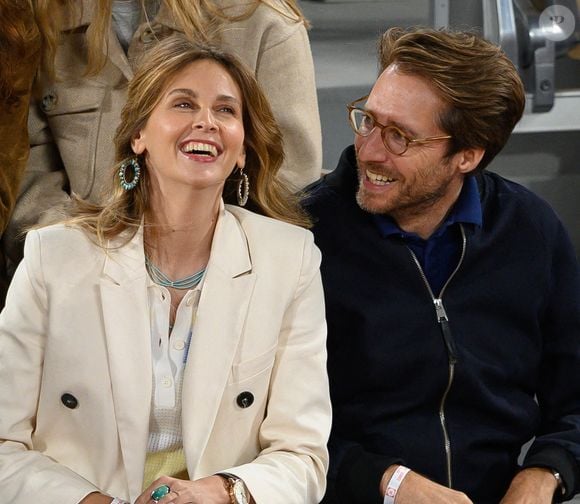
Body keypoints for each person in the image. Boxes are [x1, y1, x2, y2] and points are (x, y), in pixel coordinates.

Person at [0, 35, 331, 504]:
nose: (206, 122)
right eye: (183, 104)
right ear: (139, 136)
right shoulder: (53, 257)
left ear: (241, 150)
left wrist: (218, 493)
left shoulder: (290, 258)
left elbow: (303, 455)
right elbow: (2, 446)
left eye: (226, 110)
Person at [305, 27, 580, 504]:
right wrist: (389, 484)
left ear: (467, 156)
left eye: (400, 137)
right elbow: (267, 428)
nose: (368, 150)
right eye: (367, 120)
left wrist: (546, 473)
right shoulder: (305, 237)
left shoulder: (530, 230)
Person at [1, 0, 322, 301]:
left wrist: (188, 268)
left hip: (225, 299)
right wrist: (92, 258)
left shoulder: (259, 19)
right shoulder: (38, 16)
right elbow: (25, 169)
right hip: (71, 294)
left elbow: (288, 189)